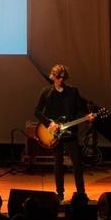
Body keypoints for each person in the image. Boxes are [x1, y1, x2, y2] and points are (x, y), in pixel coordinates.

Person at [34, 64, 94, 201]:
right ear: (52, 76)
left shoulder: (73, 92)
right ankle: (60, 194)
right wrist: (49, 123)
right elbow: (36, 111)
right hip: (54, 134)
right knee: (58, 163)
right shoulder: (46, 92)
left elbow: (80, 110)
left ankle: (81, 194)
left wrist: (87, 116)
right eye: (58, 77)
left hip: (70, 132)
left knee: (77, 163)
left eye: (63, 77)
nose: (61, 80)